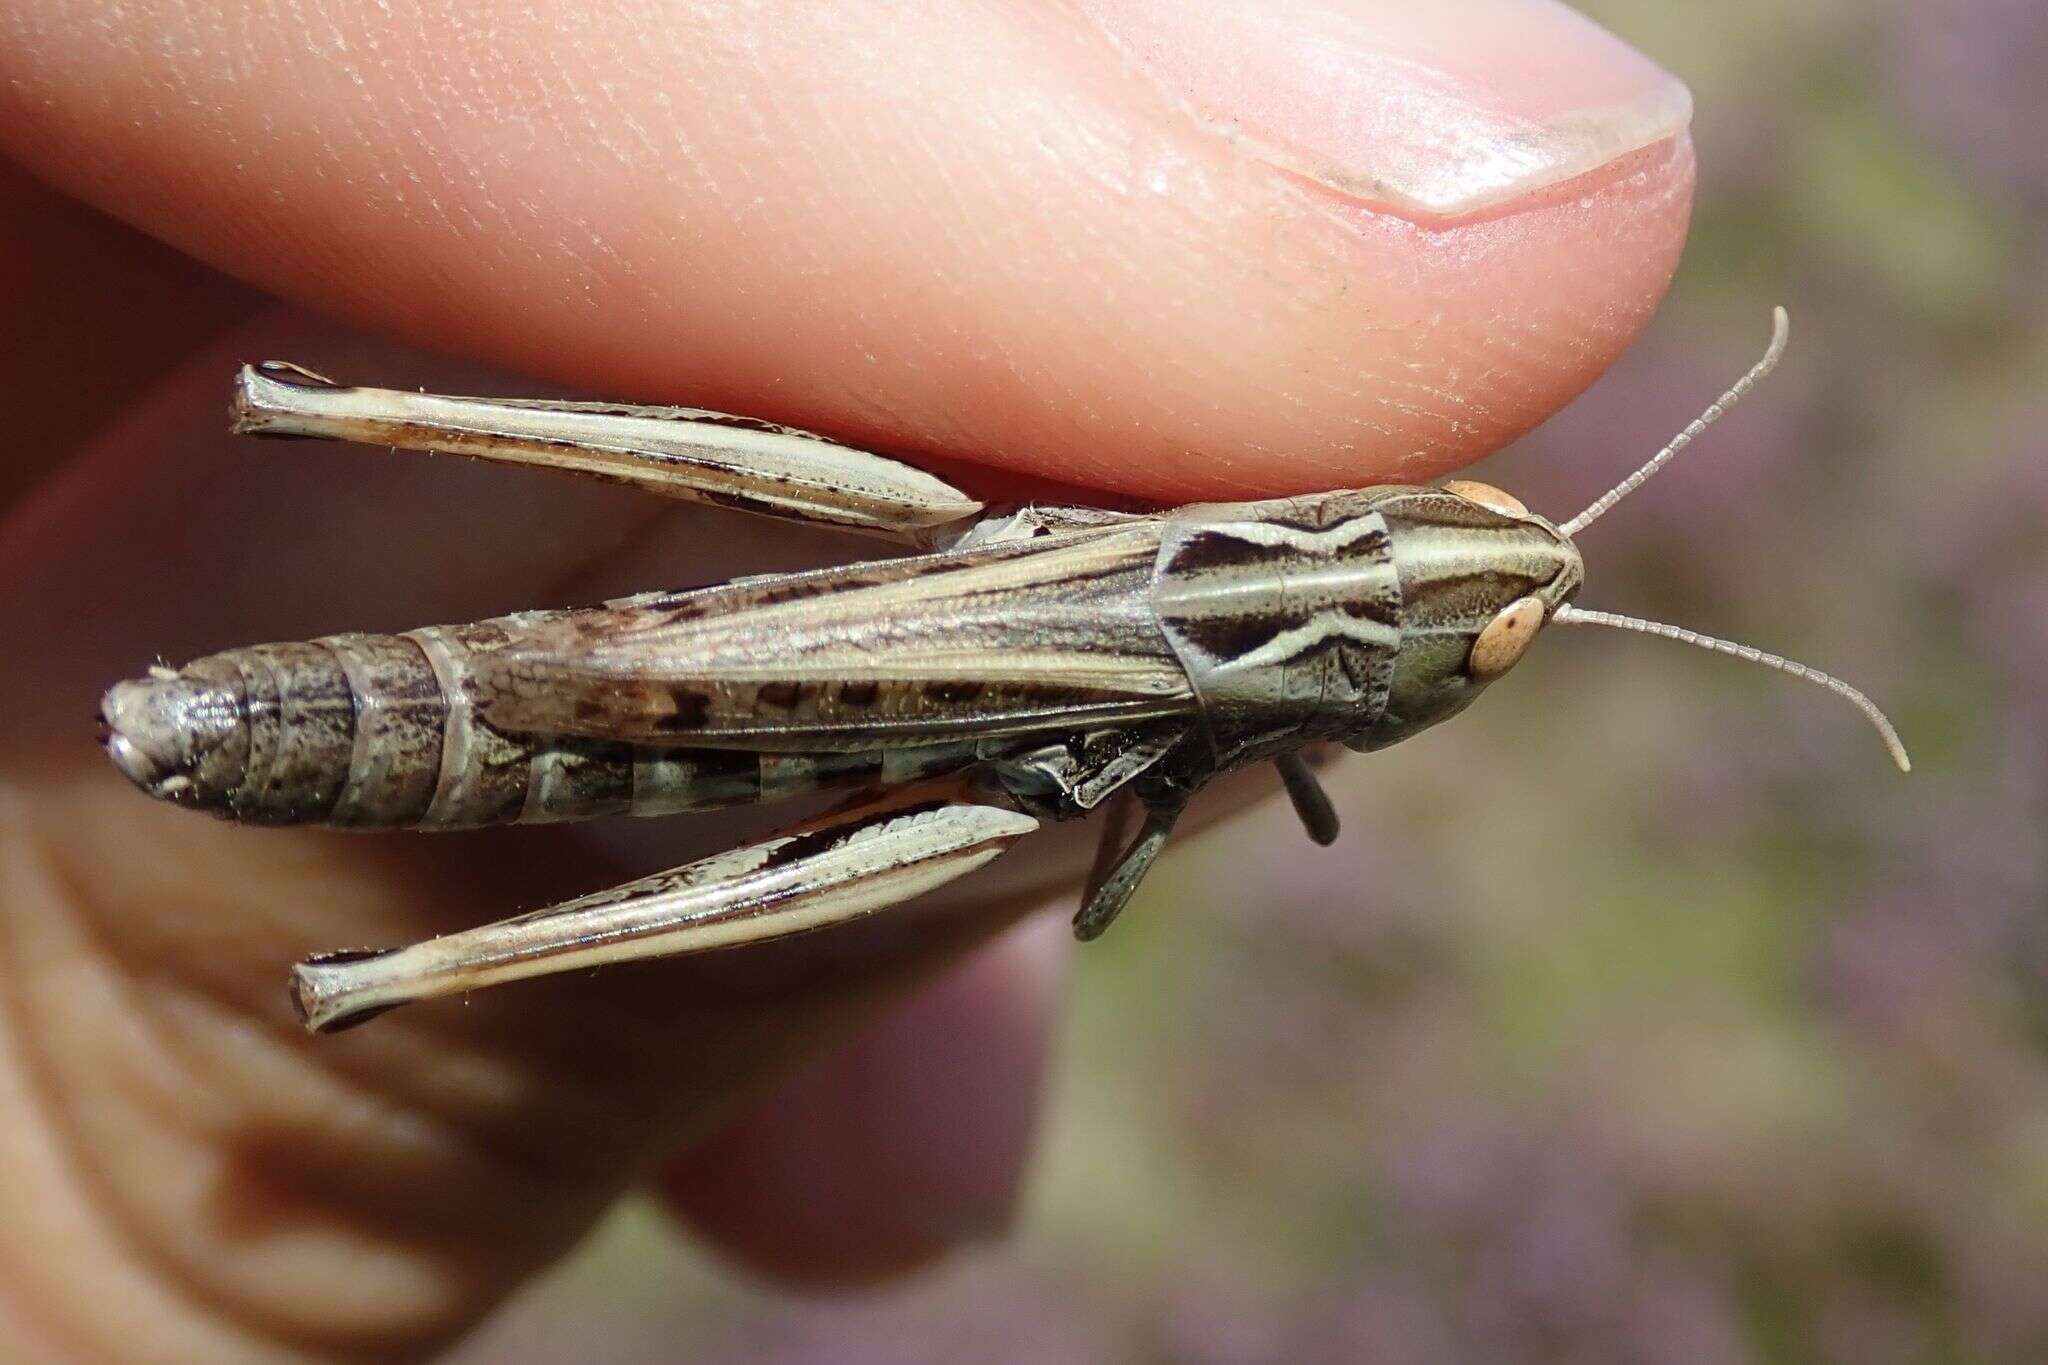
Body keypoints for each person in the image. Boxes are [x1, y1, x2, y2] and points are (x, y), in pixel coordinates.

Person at [0, 1, 1693, 1357]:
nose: (1522, 562)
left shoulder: (1213, 488)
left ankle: (338, 474)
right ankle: (342, 476)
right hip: (667, 695)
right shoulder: (1254, 705)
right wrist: (1162, 788)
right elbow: (1101, 909)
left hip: (741, 660)